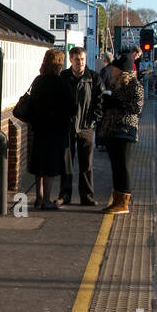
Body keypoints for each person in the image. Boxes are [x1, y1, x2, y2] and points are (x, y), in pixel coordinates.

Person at [26, 48, 76, 209]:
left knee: (39, 165)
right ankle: (47, 200)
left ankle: (39, 198)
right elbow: (71, 107)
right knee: (50, 166)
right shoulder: (61, 83)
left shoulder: (38, 81)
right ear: (59, 64)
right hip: (56, 130)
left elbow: (32, 104)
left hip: (38, 128)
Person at [97, 54, 146, 215]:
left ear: (121, 70)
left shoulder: (134, 85)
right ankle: (117, 200)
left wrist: (116, 103)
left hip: (125, 131)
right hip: (112, 131)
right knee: (116, 167)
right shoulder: (116, 84)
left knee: (123, 167)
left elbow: (137, 108)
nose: (112, 70)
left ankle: (123, 203)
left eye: (115, 68)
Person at [59, 46, 103, 205]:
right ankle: (65, 195)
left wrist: (95, 119)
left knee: (87, 164)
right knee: (66, 164)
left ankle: (87, 196)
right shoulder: (63, 77)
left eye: (82, 59)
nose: (80, 63)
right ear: (70, 60)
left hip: (86, 126)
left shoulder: (94, 78)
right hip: (68, 127)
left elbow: (100, 99)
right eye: (77, 60)